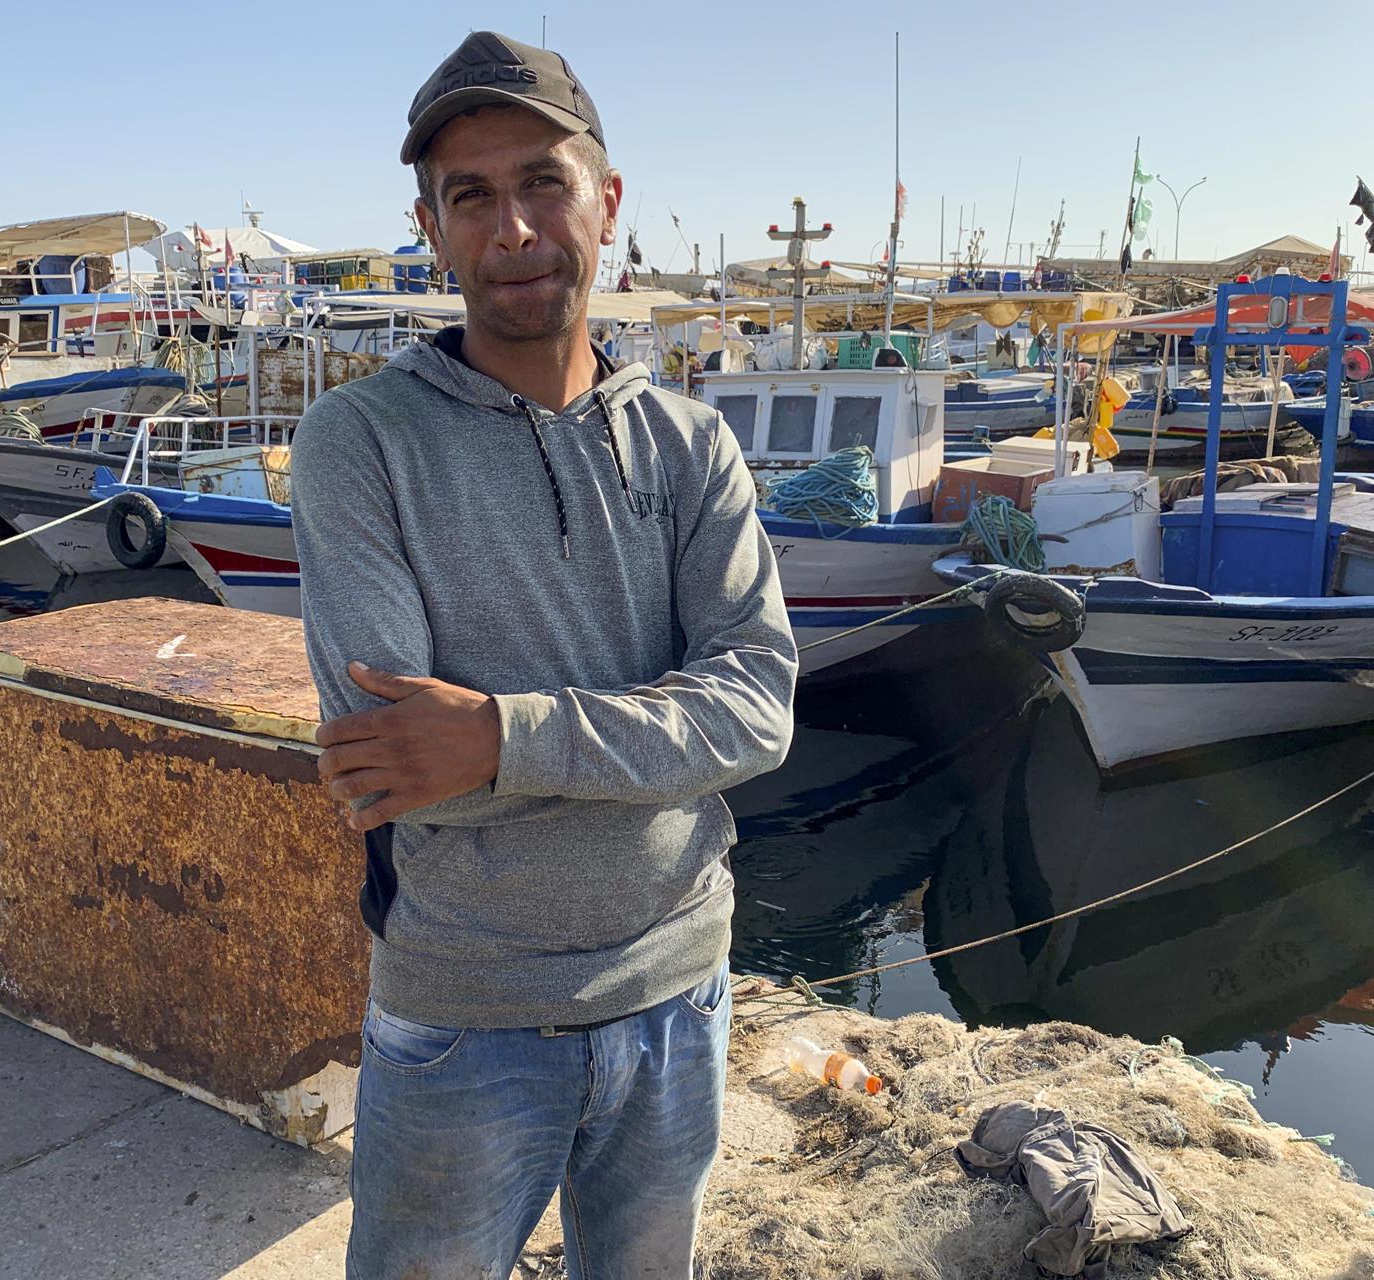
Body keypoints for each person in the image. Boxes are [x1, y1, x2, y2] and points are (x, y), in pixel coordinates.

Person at [287, 30, 798, 1280]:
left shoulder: (690, 444)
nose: (513, 228)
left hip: (680, 991)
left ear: (605, 201)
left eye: (541, 184)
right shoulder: (359, 441)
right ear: (431, 228)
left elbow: (757, 705)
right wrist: (645, 741)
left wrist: (499, 736)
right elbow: (399, 767)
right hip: (463, 1016)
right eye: (471, 196)